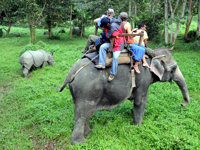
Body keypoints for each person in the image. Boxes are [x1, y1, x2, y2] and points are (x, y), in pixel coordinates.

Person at [95, 13, 126, 82]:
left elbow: (108, 36)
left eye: (104, 26)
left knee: (115, 57)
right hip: (112, 42)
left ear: (107, 24)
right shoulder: (110, 23)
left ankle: (113, 73)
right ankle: (102, 64)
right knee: (102, 47)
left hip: (118, 44)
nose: (103, 27)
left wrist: (106, 31)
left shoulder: (113, 26)